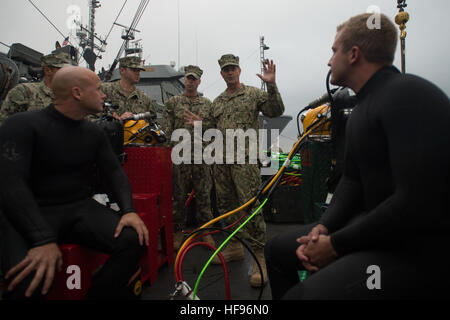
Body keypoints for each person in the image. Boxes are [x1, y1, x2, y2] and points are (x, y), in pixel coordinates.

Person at [265, 13, 450, 299]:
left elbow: (417, 202)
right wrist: (324, 228)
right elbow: (351, 182)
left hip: (416, 248)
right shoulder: (362, 109)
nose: (329, 61)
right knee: (278, 250)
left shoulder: (408, 95)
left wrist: (336, 244)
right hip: (374, 229)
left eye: (333, 51)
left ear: (353, 54)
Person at [0, 66, 149, 300]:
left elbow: (113, 172)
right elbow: (10, 183)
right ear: (77, 93)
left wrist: (129, 211)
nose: (104, 95)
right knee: (27, 280)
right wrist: (42, 239)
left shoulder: (93, 133)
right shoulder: (21, 126)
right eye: (98, 89)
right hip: (28, 211)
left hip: (77, 206)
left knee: (134, 239)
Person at [185, 54, 285, 287]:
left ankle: (260, 256)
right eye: (225, 69)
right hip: (221, 162)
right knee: (225, 205)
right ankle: (234, 247)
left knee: (249, 205)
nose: (229, 72)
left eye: (233, 68)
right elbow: (210, 128)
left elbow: (275, 111)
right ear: (221, 74)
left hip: (244, 160)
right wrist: (199, 125)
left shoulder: (253, 94)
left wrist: (271, 85)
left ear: (239, 70)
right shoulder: (217, 102)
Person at [162, 65, 215, 250]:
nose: (190, 81)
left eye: (194, 79)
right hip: (180, 155)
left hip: (202, 156)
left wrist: (202, 124)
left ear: (199, 81)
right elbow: (166, 130)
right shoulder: (173, 103)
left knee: (204, 196)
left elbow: (214, 131)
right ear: (184, 80)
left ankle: (206, 232)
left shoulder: (208, 104)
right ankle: (177, 232)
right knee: (177, 196)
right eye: (188, 78)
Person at [0, 52, 71, 123]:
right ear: (48, 70)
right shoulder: (24, 91)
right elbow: (5, 125)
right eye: (64, 70)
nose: (69, 74)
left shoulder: (70, 98)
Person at [101, 56, 157, 121]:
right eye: (134, 70)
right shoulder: (105, 90)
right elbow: (91, 119)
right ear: (122, 70)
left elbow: (152, 123)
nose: (138, 73)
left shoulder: (144, 98)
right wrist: (117, 122)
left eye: (139, 70)